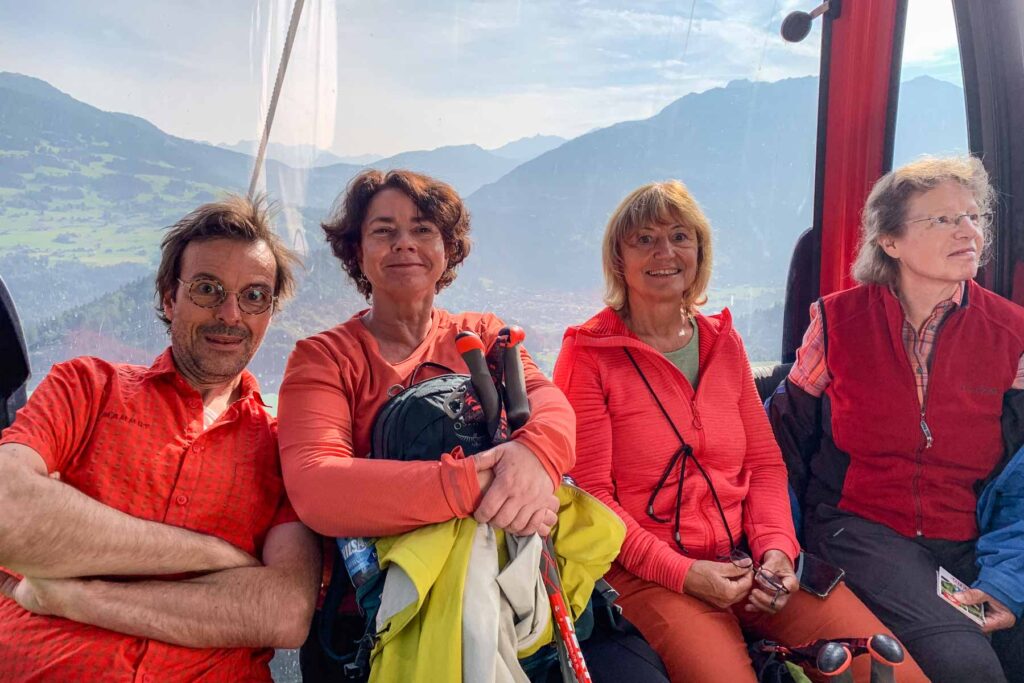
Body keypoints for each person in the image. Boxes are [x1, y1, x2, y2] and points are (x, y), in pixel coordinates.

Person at [276, 168, 668, 681]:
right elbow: (319, 486)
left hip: (519, 578)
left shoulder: (481, 336)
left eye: (422, 229)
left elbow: (550, 407)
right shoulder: (325, 358)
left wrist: (535, 456)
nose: (404, 243)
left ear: (447, 248)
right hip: (387, 609)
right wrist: (483, 486)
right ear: (357, 251)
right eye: (383, 231)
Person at [553, 179, 929, 682]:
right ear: (619, 259)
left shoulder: (722, 344)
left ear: (699, 252)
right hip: (650, 575)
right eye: (644, 239)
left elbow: (763, 465)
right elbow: (593, 501)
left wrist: (777, 551)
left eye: (680, 237)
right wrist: (684, 573)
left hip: (747, 561)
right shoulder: (589, 354)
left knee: (889, 668)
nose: (665, 252)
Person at [0, 195, 320, 682]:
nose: (231, 314)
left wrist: (74, 594)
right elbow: (8, 510)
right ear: (170, 299)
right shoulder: (87, 388)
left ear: (269, 314)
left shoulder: (284, 448)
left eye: (254, 296)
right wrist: (213, 556)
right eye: (208, 289)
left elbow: (285, 611)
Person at [769, 156, 1024, 683]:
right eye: (943, 219)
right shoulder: (837, 322)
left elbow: (1021, 481)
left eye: (974, 216)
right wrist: (775, 549)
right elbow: (780, 444)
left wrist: (1006, 580)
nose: (968, 231)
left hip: (970, 539)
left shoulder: (1013, 333)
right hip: (858, 529)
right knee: (967, 667)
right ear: (890, 240)